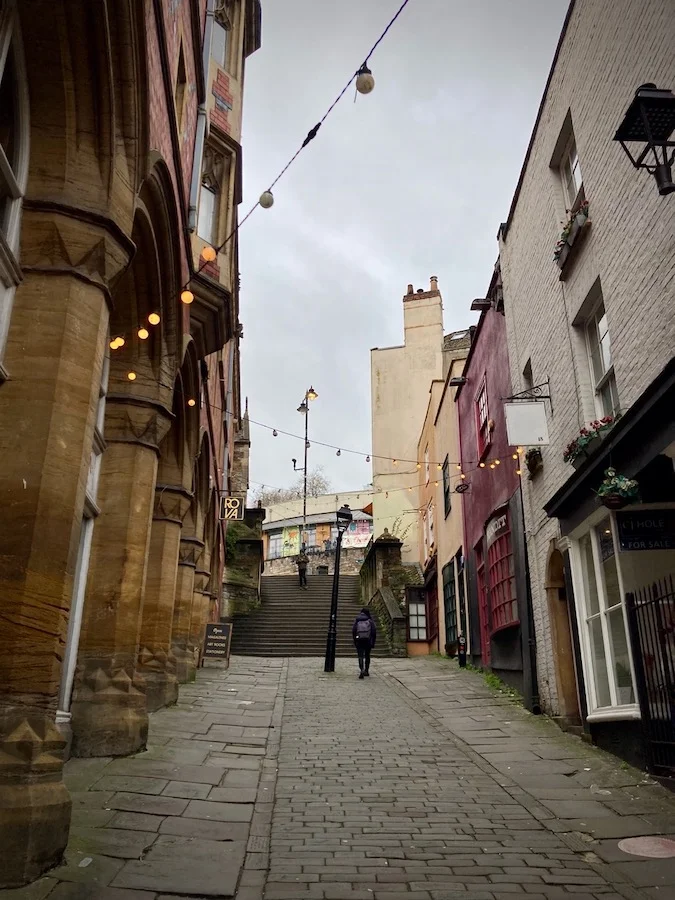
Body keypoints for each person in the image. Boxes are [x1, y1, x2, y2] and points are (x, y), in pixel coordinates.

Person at [352, 607, 376, 679]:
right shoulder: (370, 621)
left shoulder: (357, 620)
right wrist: (373, 641)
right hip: (368, 640)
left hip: (359, 640)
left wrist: (355, 640)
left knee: (360, 656)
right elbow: (374, 632)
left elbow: (353, 630)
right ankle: (366, 670)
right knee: (367, 655)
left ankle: (361, 669)